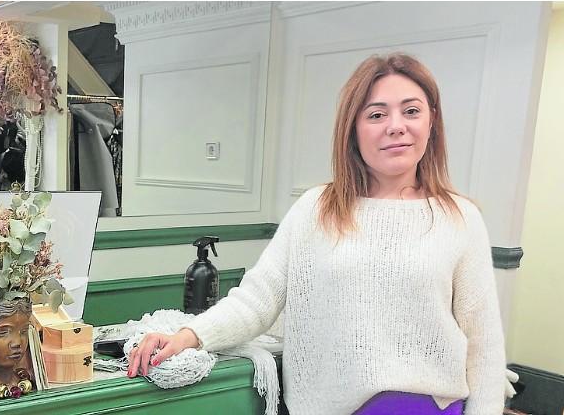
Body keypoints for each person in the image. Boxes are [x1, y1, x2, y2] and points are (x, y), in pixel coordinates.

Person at [126, 53, 506, 415]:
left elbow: (484, 347)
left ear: (432, 121)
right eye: (377, 114)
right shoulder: (315, 209)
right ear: (353, 128)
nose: (396, 126)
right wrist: (187, 335)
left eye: (411, 111)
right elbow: (257, 301)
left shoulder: (460, 218)